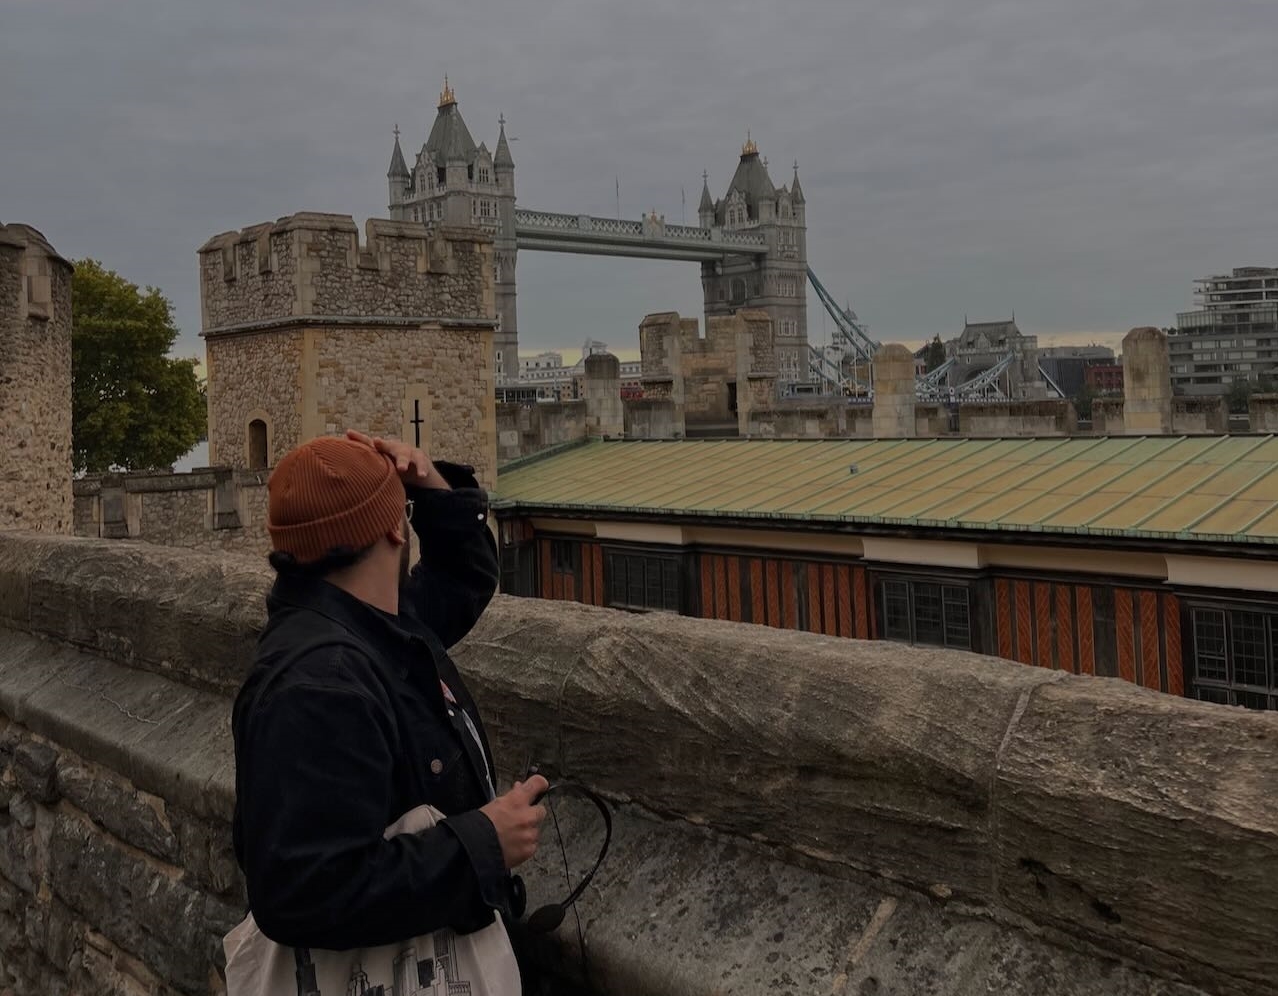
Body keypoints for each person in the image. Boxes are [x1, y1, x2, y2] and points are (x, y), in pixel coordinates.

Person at [231, 429, 547, 953]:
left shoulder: (370, 625)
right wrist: (483, 844)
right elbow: (303, 890)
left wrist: (431, 485)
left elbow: (462, 577)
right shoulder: (320, 684)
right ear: (395, 531)